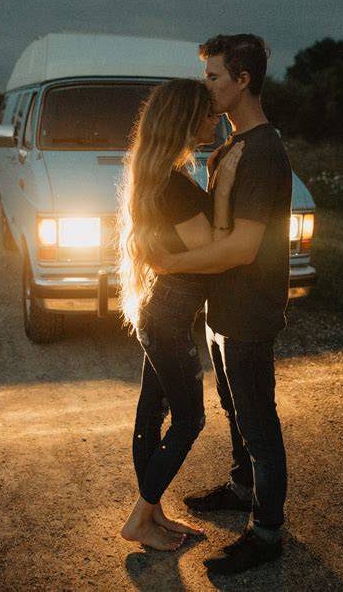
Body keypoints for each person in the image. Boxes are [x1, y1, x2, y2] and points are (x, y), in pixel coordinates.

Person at [152, 34, 292, 575]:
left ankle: (267, 532)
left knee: (259, 423)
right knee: (237, 413)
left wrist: (168, 263)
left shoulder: (261, 151)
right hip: (222, 308)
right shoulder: (229, 146)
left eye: (213, 78)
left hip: (250, 309)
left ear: (243, 80)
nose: (205, 87)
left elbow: (241, 246)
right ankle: (240, 488)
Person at [118, 78, 244, 551]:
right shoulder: (175, 185)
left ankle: (153, 515)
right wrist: (225, 187)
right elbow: (212, 252)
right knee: (189, 421)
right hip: (168, 319)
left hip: (159, 312)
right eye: (209, 113)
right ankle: (139, 519)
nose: (216, 120)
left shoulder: (161, 174)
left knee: (150, 415)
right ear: (186, 120)